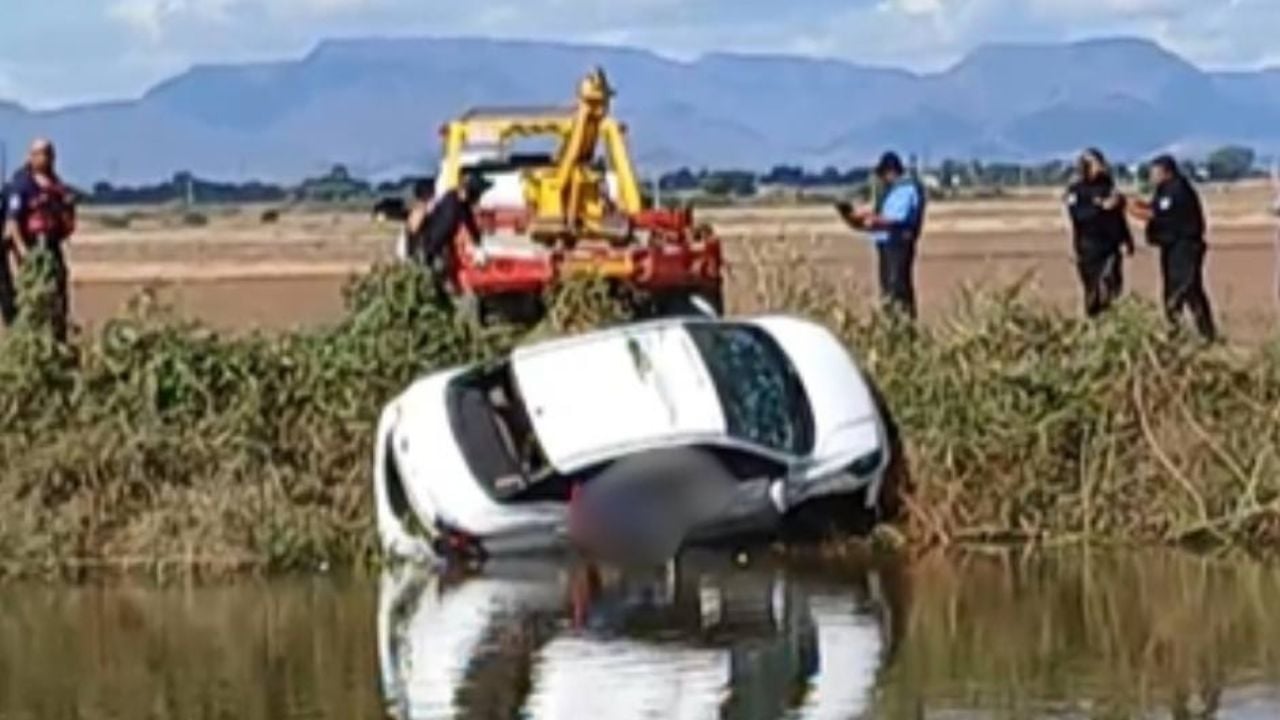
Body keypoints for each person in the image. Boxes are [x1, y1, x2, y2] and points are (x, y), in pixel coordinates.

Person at [1127, 155, 1217, 342]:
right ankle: (1199, 333)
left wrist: (1128, 209)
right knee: (1186, 291)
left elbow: (1156, 214)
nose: (1151, 177)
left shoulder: (1177, 189)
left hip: (1184, 248)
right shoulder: (1165, 190)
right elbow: (1155, 207)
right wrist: (1137, 203)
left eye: (1154, 173)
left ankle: (1185, 332)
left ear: (1166, 172)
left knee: (1182, 290)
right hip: (1171, 248)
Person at [2, 138, 77, 341]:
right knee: (33, 294)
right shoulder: (22, 185)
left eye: (48, 154)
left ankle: (57, 339)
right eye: (40, 154)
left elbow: (66, 221)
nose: (45, 158)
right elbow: (13, 223)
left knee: (57, 293)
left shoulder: (57, 186)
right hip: (31, 247)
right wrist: (24, 253)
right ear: (31, 157)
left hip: (52, 246)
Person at [837, 152, 926, 319]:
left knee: (897, 287)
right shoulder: (891, 191)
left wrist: (868, 221)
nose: (881, 179)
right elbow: (881, 218)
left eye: (883, 174)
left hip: (898, 244)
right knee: (888, 289)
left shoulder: (906, 189)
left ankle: (902, 324)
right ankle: (892, 322)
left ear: (891, 172)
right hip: (886, 243)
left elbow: (894, 219)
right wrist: (856, 219)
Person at [1064, 148, 1134, 317]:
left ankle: (1111, 321)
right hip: (1089, 247)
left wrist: (1126, 239)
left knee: (1112, 287)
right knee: (1093, 290)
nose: (1099, 167)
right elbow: (1078, 215)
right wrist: (1101, 207)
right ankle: (1093, 321)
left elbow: (1119, 217)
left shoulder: (1108, 187)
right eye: (1095, 164)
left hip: (1110, 246)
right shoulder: (1076, 190)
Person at [419, 171, 490, 297]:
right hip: (430, 247)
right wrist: (431, 257)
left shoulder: (460, 201)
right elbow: (439, 234)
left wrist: (478, 245)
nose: (479, 199)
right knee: (440, 278)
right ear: (471, 192)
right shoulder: (452, 208)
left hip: (436, 244)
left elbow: (470, 223)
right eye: (478, 195)